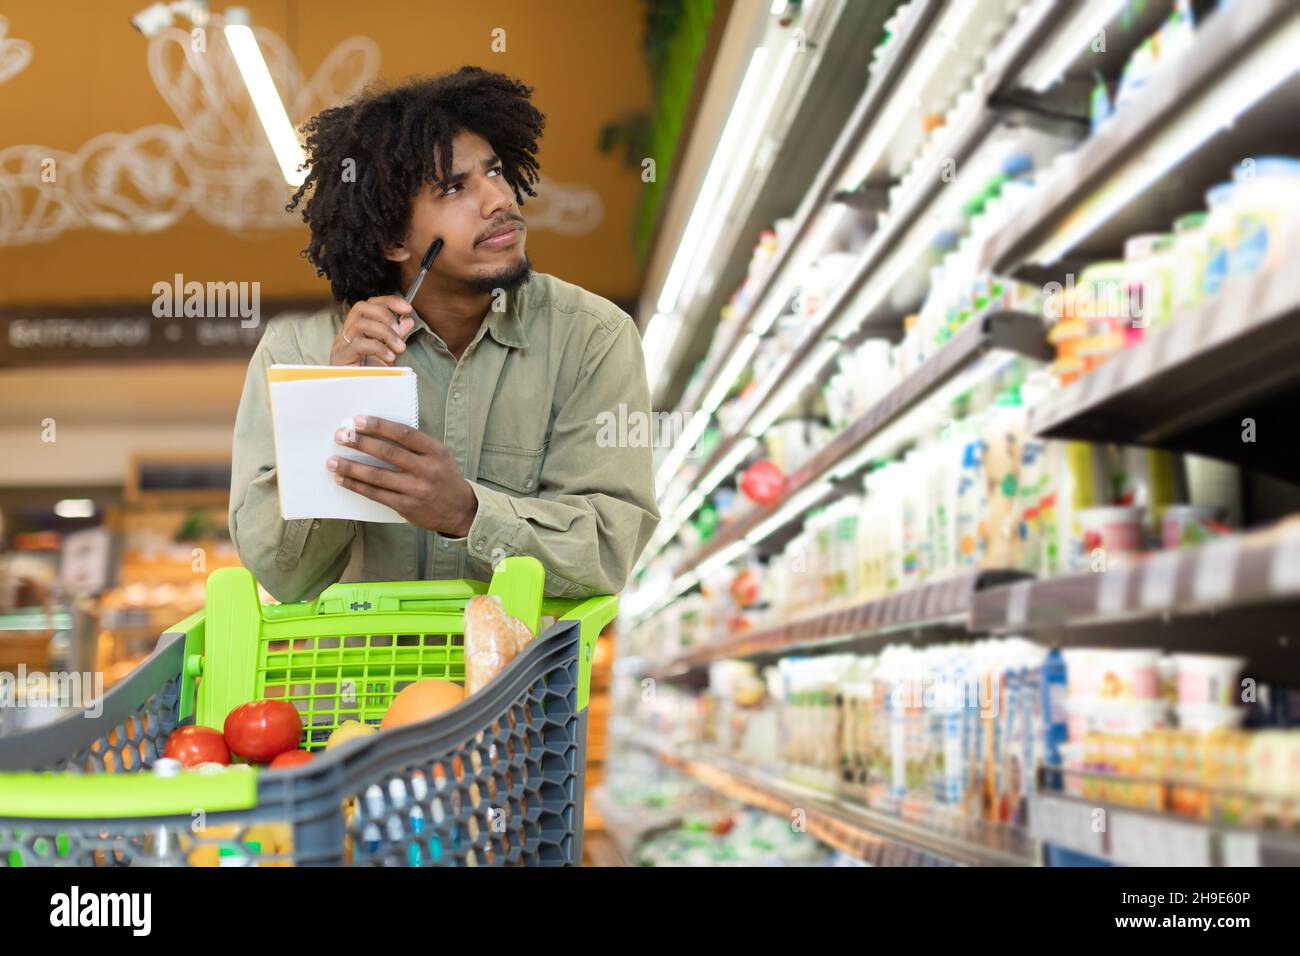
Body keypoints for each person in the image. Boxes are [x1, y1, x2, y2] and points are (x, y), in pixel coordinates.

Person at [229, 67, 659, 603]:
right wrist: (335, 402)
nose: (499, 199)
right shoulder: (299, 353)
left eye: (495, 172)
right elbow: (283, 574)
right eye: (454, 188)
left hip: (519, 685)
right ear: (392, 240)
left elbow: (607, 553)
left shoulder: (592, 338)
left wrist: (467, 513)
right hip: (352, 685)